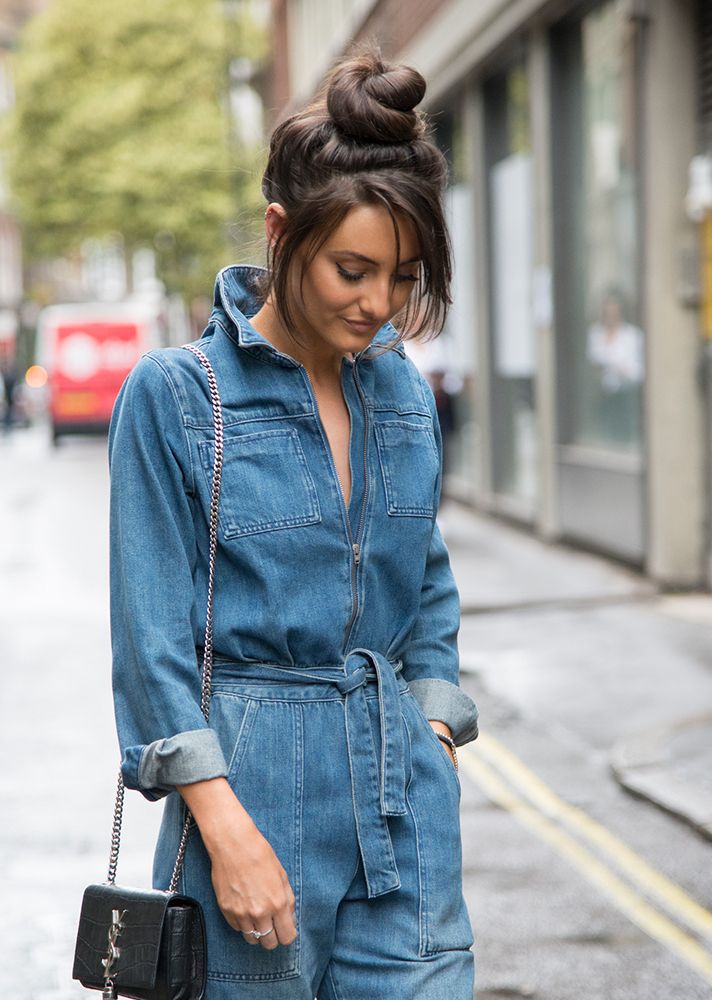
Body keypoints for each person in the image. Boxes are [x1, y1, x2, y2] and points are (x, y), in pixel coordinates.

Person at [108, 45, 479, 1000]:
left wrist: (431, 729)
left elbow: (425, 584)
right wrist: (226, 835)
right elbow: (154, 652)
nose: (378, 303)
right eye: (353, 269)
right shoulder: (179, 400)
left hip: (402, 814)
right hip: (249, 802)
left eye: (402, 276)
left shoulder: (401, 393)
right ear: (282, 233)